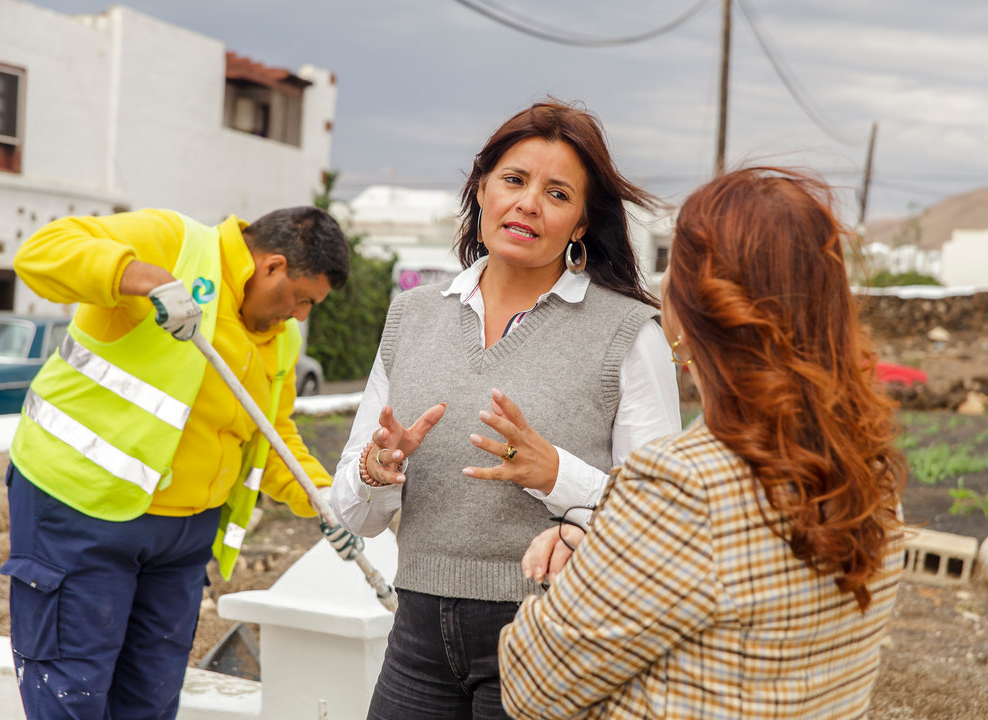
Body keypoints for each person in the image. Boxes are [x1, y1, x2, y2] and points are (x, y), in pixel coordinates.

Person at [498, 166, 907, 719]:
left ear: (689, 313)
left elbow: (533, 686)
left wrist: (575, 581)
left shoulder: (683, 484)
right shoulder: (870, 466)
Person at [330, 100, 682, 719]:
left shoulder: (629, 333)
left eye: (557, 193)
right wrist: (374, 473)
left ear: (579, 223)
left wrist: (556, 476)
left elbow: (663, 524)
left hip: (554, 635)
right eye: (514, 181)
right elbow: (354, 515)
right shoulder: (412, 317)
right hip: (414, 636)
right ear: (482, 189)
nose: (527, 204)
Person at [2, 205, 351, 719]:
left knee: (151, 700)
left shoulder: (282, 341)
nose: (300, 316)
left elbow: (271, 436)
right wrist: (141, 278)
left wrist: (327, 504)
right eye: (302, 299)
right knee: (71, 692)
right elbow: (40, 253)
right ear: (272, 266)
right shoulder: (174, 242)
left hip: (182, 543)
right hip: (81, 514)